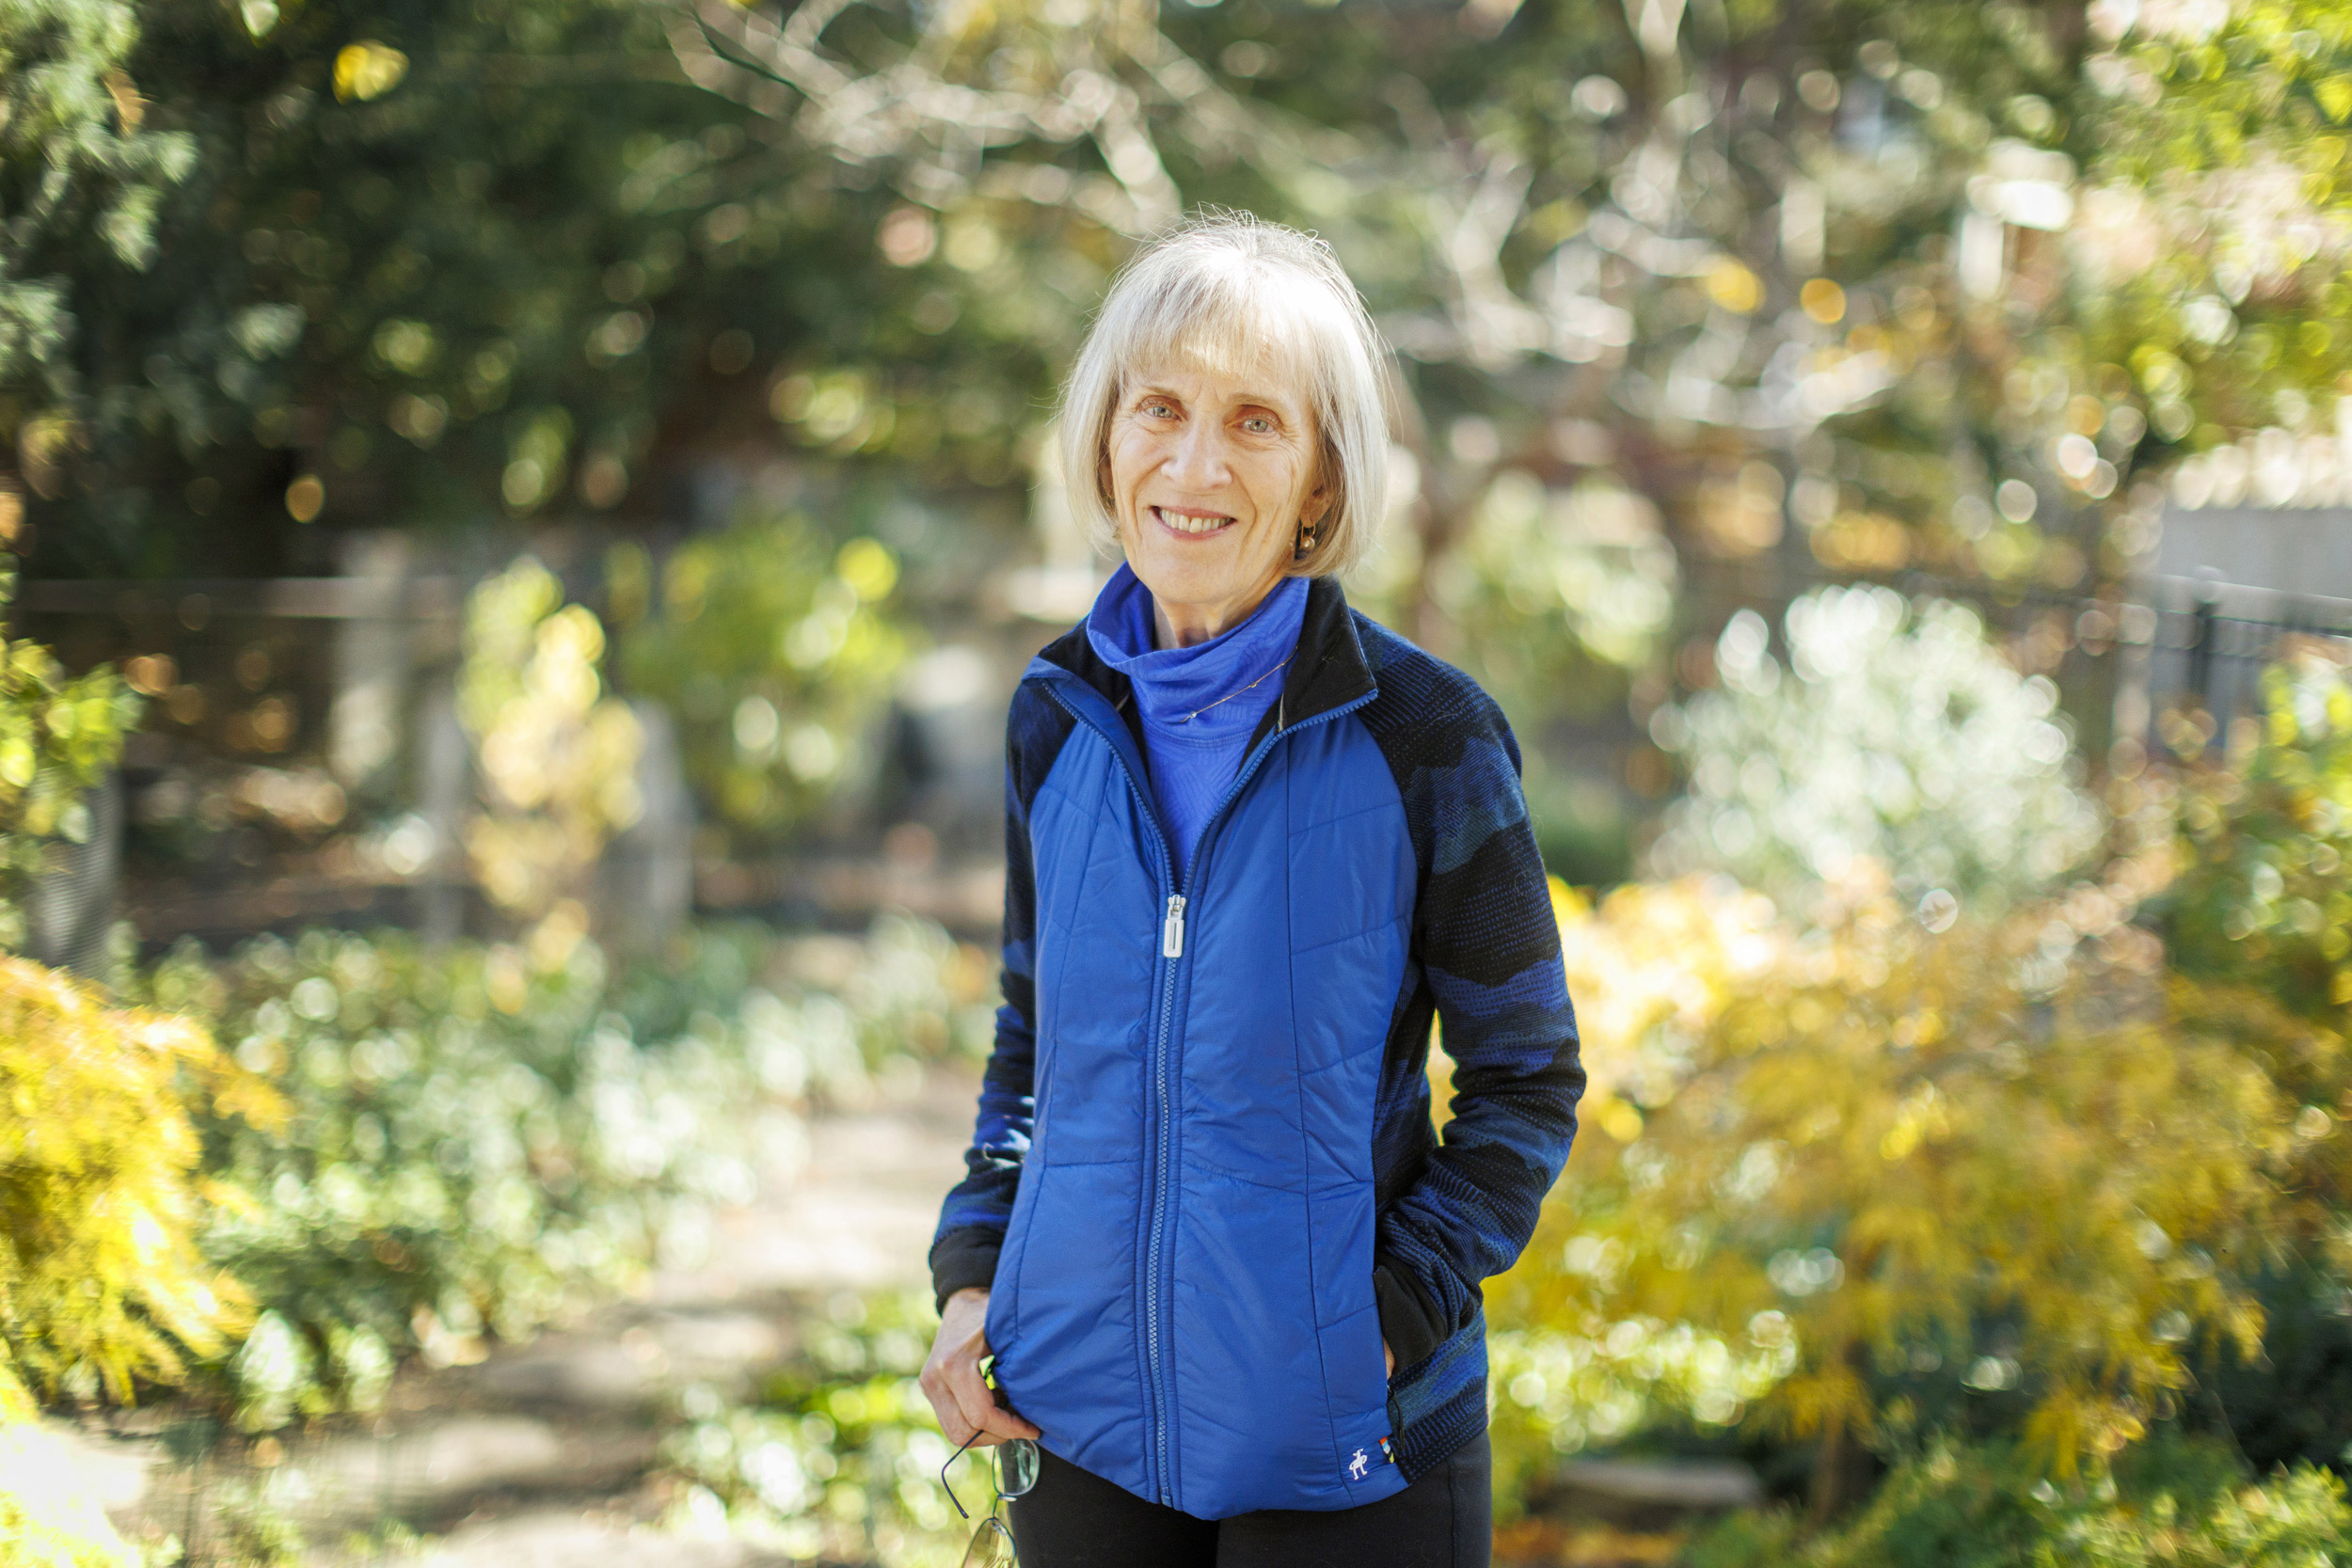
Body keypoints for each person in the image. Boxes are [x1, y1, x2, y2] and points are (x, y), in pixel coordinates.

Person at [919, 211, 1584, 1567]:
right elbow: (1030, 1045)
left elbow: (1528, 1077)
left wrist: (1382, 1316)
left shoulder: (1429, 738)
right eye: (1158, 407)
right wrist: (979, 1274)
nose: (1196, 462)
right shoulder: (1056, 713)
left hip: (1350, 1446)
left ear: (1322, 485)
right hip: (1082, 1413)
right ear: (1108, 442)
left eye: (1256, 423)